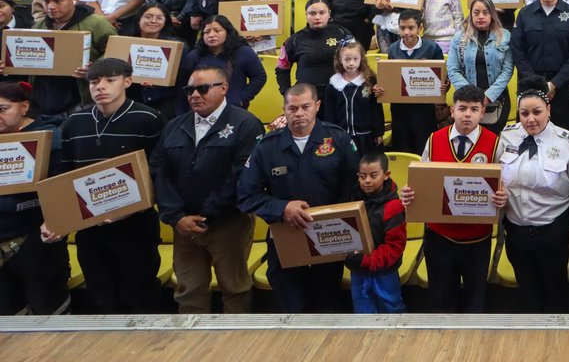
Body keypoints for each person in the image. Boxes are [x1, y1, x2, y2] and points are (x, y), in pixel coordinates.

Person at [44, 58, 165, 314]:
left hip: (134, 224)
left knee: (139, 293)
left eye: (110, 80)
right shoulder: (75, 122)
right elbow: (66, 173)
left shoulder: (148, 118)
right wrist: (56, 219)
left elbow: (159, 172)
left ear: (127, 81)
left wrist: (131, 208)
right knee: (100, 293)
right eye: (94, 82)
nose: (101, 87)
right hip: (89, 226)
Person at [237, 83, 359, 313]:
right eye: (293, 108)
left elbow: (355, 187)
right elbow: (246, 195)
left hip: (329, 243)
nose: (299, 113)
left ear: (317, 106)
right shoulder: (267, 147)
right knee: (292, 313)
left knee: (328, 310)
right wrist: (282, 208)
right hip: (285, 245)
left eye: (305, 106)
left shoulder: (338, 140)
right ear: (284, 109)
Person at [150, 64, 261, 314]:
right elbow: (159, 172)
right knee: (188, 291)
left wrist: (207, 216)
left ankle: (236, 349)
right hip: (184, 226)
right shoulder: (174, 126)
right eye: (189, 90)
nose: (194, 95)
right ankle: (193, 350)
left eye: (202, 89)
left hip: (228, 223)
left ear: (224, 89)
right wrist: (176, 217)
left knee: (235, 289)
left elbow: (241, 176)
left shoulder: (246, 124)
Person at [400, 85, 504, 313]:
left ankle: (472, 345)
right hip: (440, 236)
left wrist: (502, 196)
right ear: (451, 111)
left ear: (482, 111)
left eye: (474, 109)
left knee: (475, 300)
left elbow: (502, 185)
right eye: (462, 108)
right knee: (440, 299)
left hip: (477, 239)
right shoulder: (434, 139)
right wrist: (409, 193)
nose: (468, 114)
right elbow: (419, 180)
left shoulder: (496, 143)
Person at [495, 82, 569, 312]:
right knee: (526, 290)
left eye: (537, 112)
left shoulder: (567, 141)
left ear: (549, 110)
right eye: (524, 113)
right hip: (516, 229)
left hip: (553, 229)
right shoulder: (506, 137)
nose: (530, 119)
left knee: (555, 291)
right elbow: (494, 178)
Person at [0, 82, 69, 315]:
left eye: (2, 109)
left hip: (37, 240)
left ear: (24, 107)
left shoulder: (52, 140)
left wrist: (57, 221)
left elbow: (65, 189)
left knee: (49, 311)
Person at [511, 0, 569, 130]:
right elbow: (518, 52)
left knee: (562, 133)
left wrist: (554, 84)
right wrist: (538, 83)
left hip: (562, 86)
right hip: (529, 84)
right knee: (529, 133)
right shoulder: (524, 15)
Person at [28, 0, 116, 118]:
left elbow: (114, 52)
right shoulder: (39, 26)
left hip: (80, 93)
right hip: (45, 93)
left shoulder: (96, 23)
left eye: (58, 1)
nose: (51, 6)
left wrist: (96, 67)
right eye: (46, 1)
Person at [343, 152, 408, 314]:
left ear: (386, 175)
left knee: (392, 308)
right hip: (358, 270)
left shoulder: (393, 206)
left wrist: (365, 260)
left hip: (384, 272)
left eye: (373, 175)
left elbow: (395, 248)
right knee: (362, 311)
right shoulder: (353, 201)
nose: (367, 181)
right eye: (362, 176)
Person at [383, 9, 446, 154]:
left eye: (411, 28)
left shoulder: (432, 48)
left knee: (423, 149)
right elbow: (391, 80)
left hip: (424, 110)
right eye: (402, 28)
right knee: (402, 148)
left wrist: (445, 85)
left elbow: (442, 79)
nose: (406, 32)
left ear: (420, 28)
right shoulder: (393, 49)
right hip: (400, 111)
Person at [447, 0, 515, 130]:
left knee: (493, 143)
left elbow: (507, 70)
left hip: (497, 99)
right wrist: (472, 95)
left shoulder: (505, 36)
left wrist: (488, 96)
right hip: (467, 101)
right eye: (476, 12)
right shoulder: (459, 38)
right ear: (471, 15)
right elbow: (452, 69)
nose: (481, 16)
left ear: (492, 15)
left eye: (485, 12)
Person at [180, 15, 266, 110]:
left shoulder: (243, 52)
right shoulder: (195, 55)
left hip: (233, 109)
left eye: (217, 31)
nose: (211, 35)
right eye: (207, 32)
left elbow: (259, 77)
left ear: (227, 32)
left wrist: (242, 98)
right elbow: (183, 82)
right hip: (201, 110)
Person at [276, 0, 352, 96]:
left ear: (329, 13)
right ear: (306, 15)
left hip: (339, 94)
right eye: (312, 13)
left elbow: (358, 62)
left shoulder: (343, 34)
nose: (317, 17)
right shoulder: (295, 40)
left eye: (322, 13)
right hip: (307, 97)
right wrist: (286, 93)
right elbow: (282, 69)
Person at [322, 40, 383, 153]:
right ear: (340, 60)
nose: (351, 63)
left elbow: (376, 109)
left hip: (367, 136)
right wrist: (331, 133)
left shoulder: (369, 80)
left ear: (361, 59)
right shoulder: (333, 83)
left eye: (355, 59)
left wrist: (379, 132)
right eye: (347, 59)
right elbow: (329, 112)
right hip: (343, 137)